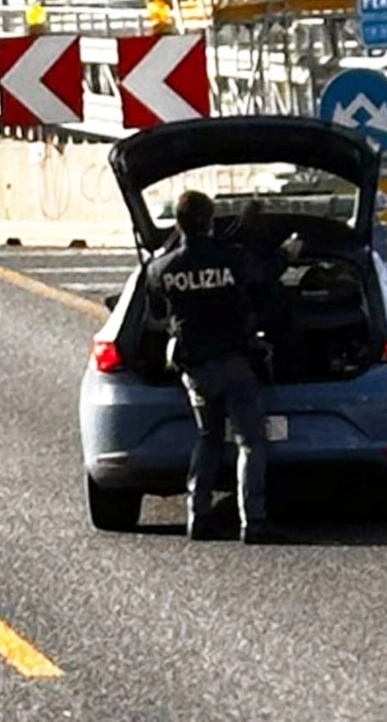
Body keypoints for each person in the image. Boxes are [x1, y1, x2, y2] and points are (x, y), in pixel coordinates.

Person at [146, 191, 283, 543]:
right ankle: (253, 521)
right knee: (250, 442)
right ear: (210, 220)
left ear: (177, 223)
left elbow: (158, 312)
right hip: (235, 363)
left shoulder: (162, 268)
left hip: (196, 371)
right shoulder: (233, 260)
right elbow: (264, 275)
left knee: (208, 437)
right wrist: (288, 253)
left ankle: (198, 516)